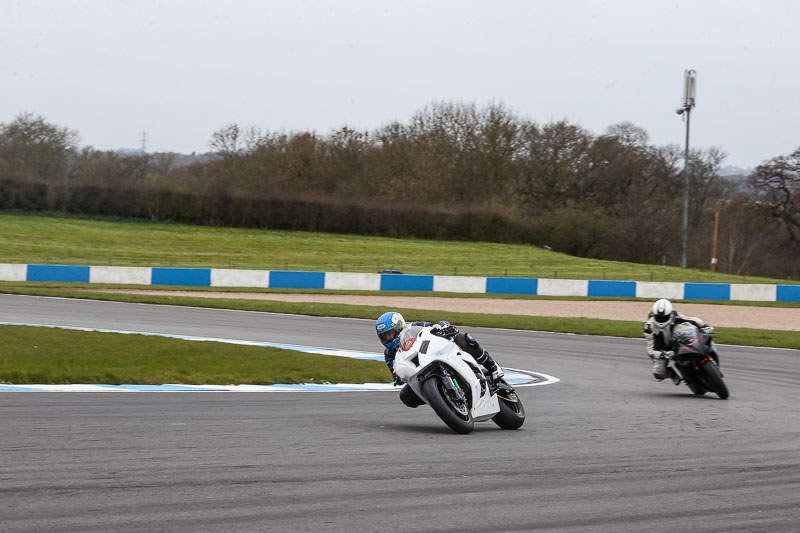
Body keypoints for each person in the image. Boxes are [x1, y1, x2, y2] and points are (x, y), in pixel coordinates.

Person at [375, 311, 505, 408]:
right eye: (384, 337)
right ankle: (442, 400)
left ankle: (493, 367)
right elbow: (395, 373)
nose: (388, 339)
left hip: (433, 355)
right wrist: (398, 377)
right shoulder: (389, 354)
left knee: (463, 338)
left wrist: (443, 326)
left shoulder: (414, 326)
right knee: (406, 397)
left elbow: (433, 326)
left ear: (399, 327)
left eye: (390, 334)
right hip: (418, 374)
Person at [644, 298, 719, 383]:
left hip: (677, 339)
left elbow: (690, 320)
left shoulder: (674, 315)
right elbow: (650, 350)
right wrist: (661, 354)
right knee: (659, 373)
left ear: (670, 314)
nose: (662, 319)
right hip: (662, 348)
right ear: (654, 315)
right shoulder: (649, 327)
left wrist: (704, 326)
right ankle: (672, 374)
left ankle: (712, 361)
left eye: (664, 317)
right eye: (659, 317)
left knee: (704, 338)